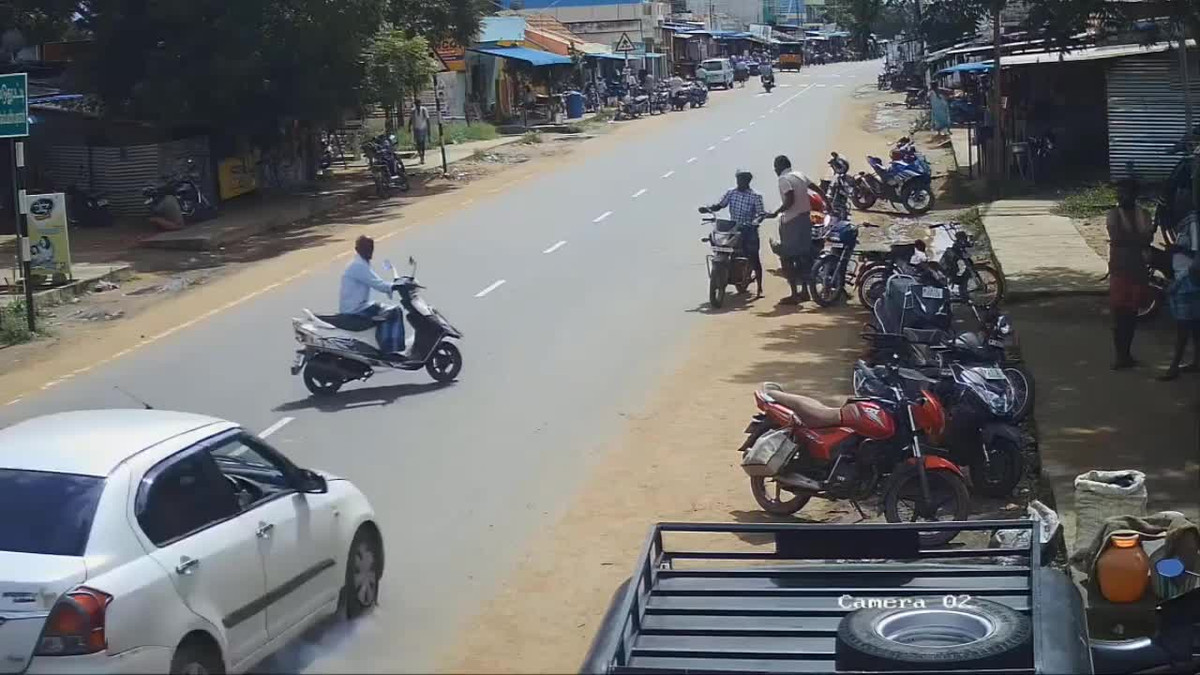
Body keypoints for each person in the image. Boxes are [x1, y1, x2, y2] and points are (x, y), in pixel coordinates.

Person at [1106, 179, 1155, 370]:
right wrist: (1139, 239)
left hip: (1135, 269)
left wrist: (1134, 240)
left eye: (1124, 192)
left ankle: (1126, 355)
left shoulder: (1139, 214)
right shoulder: (1117, 214)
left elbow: (1139, 238)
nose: (1120, 195)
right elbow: (1127, 237)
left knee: (1131, 315)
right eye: (1119, 192)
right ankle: (1121, 355)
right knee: (1120, 315)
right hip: (1122, 270)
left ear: (1134, 194)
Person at [340, 235, 408, 359]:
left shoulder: (361, 263)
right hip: (355, 310)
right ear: (357, 249)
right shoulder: (358, 266)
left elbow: (377, 281)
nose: (369, 250)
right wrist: (395, 286)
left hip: (359, 306)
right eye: (366, 247)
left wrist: (394, 285)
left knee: (384, 310)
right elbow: (379, 284)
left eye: (371, 247)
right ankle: (389, 350)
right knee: (394, 312)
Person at [771, 155, 825, 305]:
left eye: (775, 167)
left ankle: (794, 294)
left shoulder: (783, 179)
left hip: (792, 221)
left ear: (779, 167)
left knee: (786, 257)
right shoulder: (799, 175)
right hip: (805, 219)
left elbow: (790, 200)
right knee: (803, 256)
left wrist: (775, 212)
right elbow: (816, 188)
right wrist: (828, 202)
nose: (774, 170)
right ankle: (805, 292)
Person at [705, 170, 769, 297]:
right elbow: (720, 205)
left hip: (748, 229)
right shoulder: (731, 193)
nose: (739, 183)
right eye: (738, 180)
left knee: (753, 256)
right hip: (732, 228)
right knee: (718, 244)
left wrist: (755, 222)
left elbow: (761, 214)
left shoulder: (755, 196)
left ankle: (760, 287)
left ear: (747, 181)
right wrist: (708, 209)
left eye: (742, 180)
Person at [1161, 212, 1200, 380]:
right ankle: (1196, 362)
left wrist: (1179, 282)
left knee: (1183, 327)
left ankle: (1174, 366)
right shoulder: (1184, 222)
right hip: (1186, 279)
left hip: (1187, 281)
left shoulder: (1192, 223)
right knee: (1194, 326)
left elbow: (1196, 256)